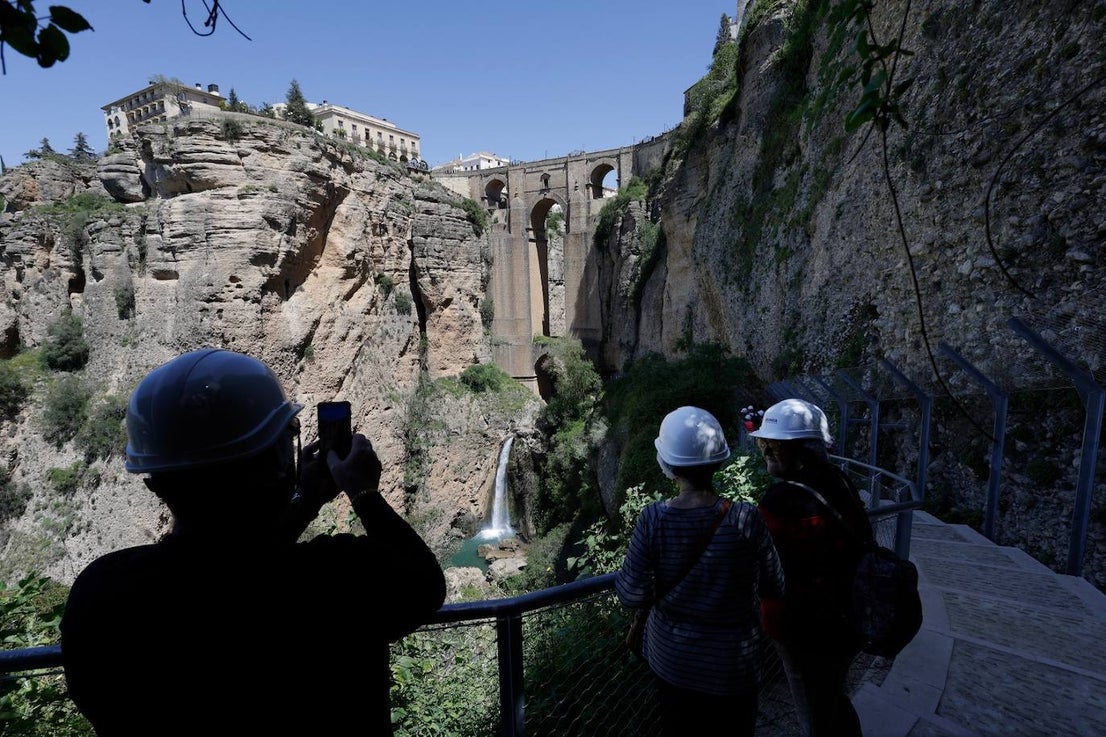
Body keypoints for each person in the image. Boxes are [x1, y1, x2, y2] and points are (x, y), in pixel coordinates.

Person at [60, 348, 446, 736]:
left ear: (154, 482)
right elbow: (424, 583)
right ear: (281, 464)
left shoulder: (103, 593)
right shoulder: (332, 578)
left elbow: (233, 568)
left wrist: (307, 501)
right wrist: (362, 491)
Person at [616, 406, 785, 737]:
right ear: (719, 461)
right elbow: (775, 586)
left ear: (667, 465)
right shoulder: (746, 518)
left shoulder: (653, 519)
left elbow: (630, 593)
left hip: (673, 663)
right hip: (734, 667)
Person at [751, 398, 873, 737]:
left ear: (802, 450)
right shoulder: (841, 482)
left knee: (813, 710)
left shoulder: (780, 503)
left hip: (802, 626)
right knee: (832, 694)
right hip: (847, 614)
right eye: (764, 443)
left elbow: (760, 569)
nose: (766, 452)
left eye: (775, 445)